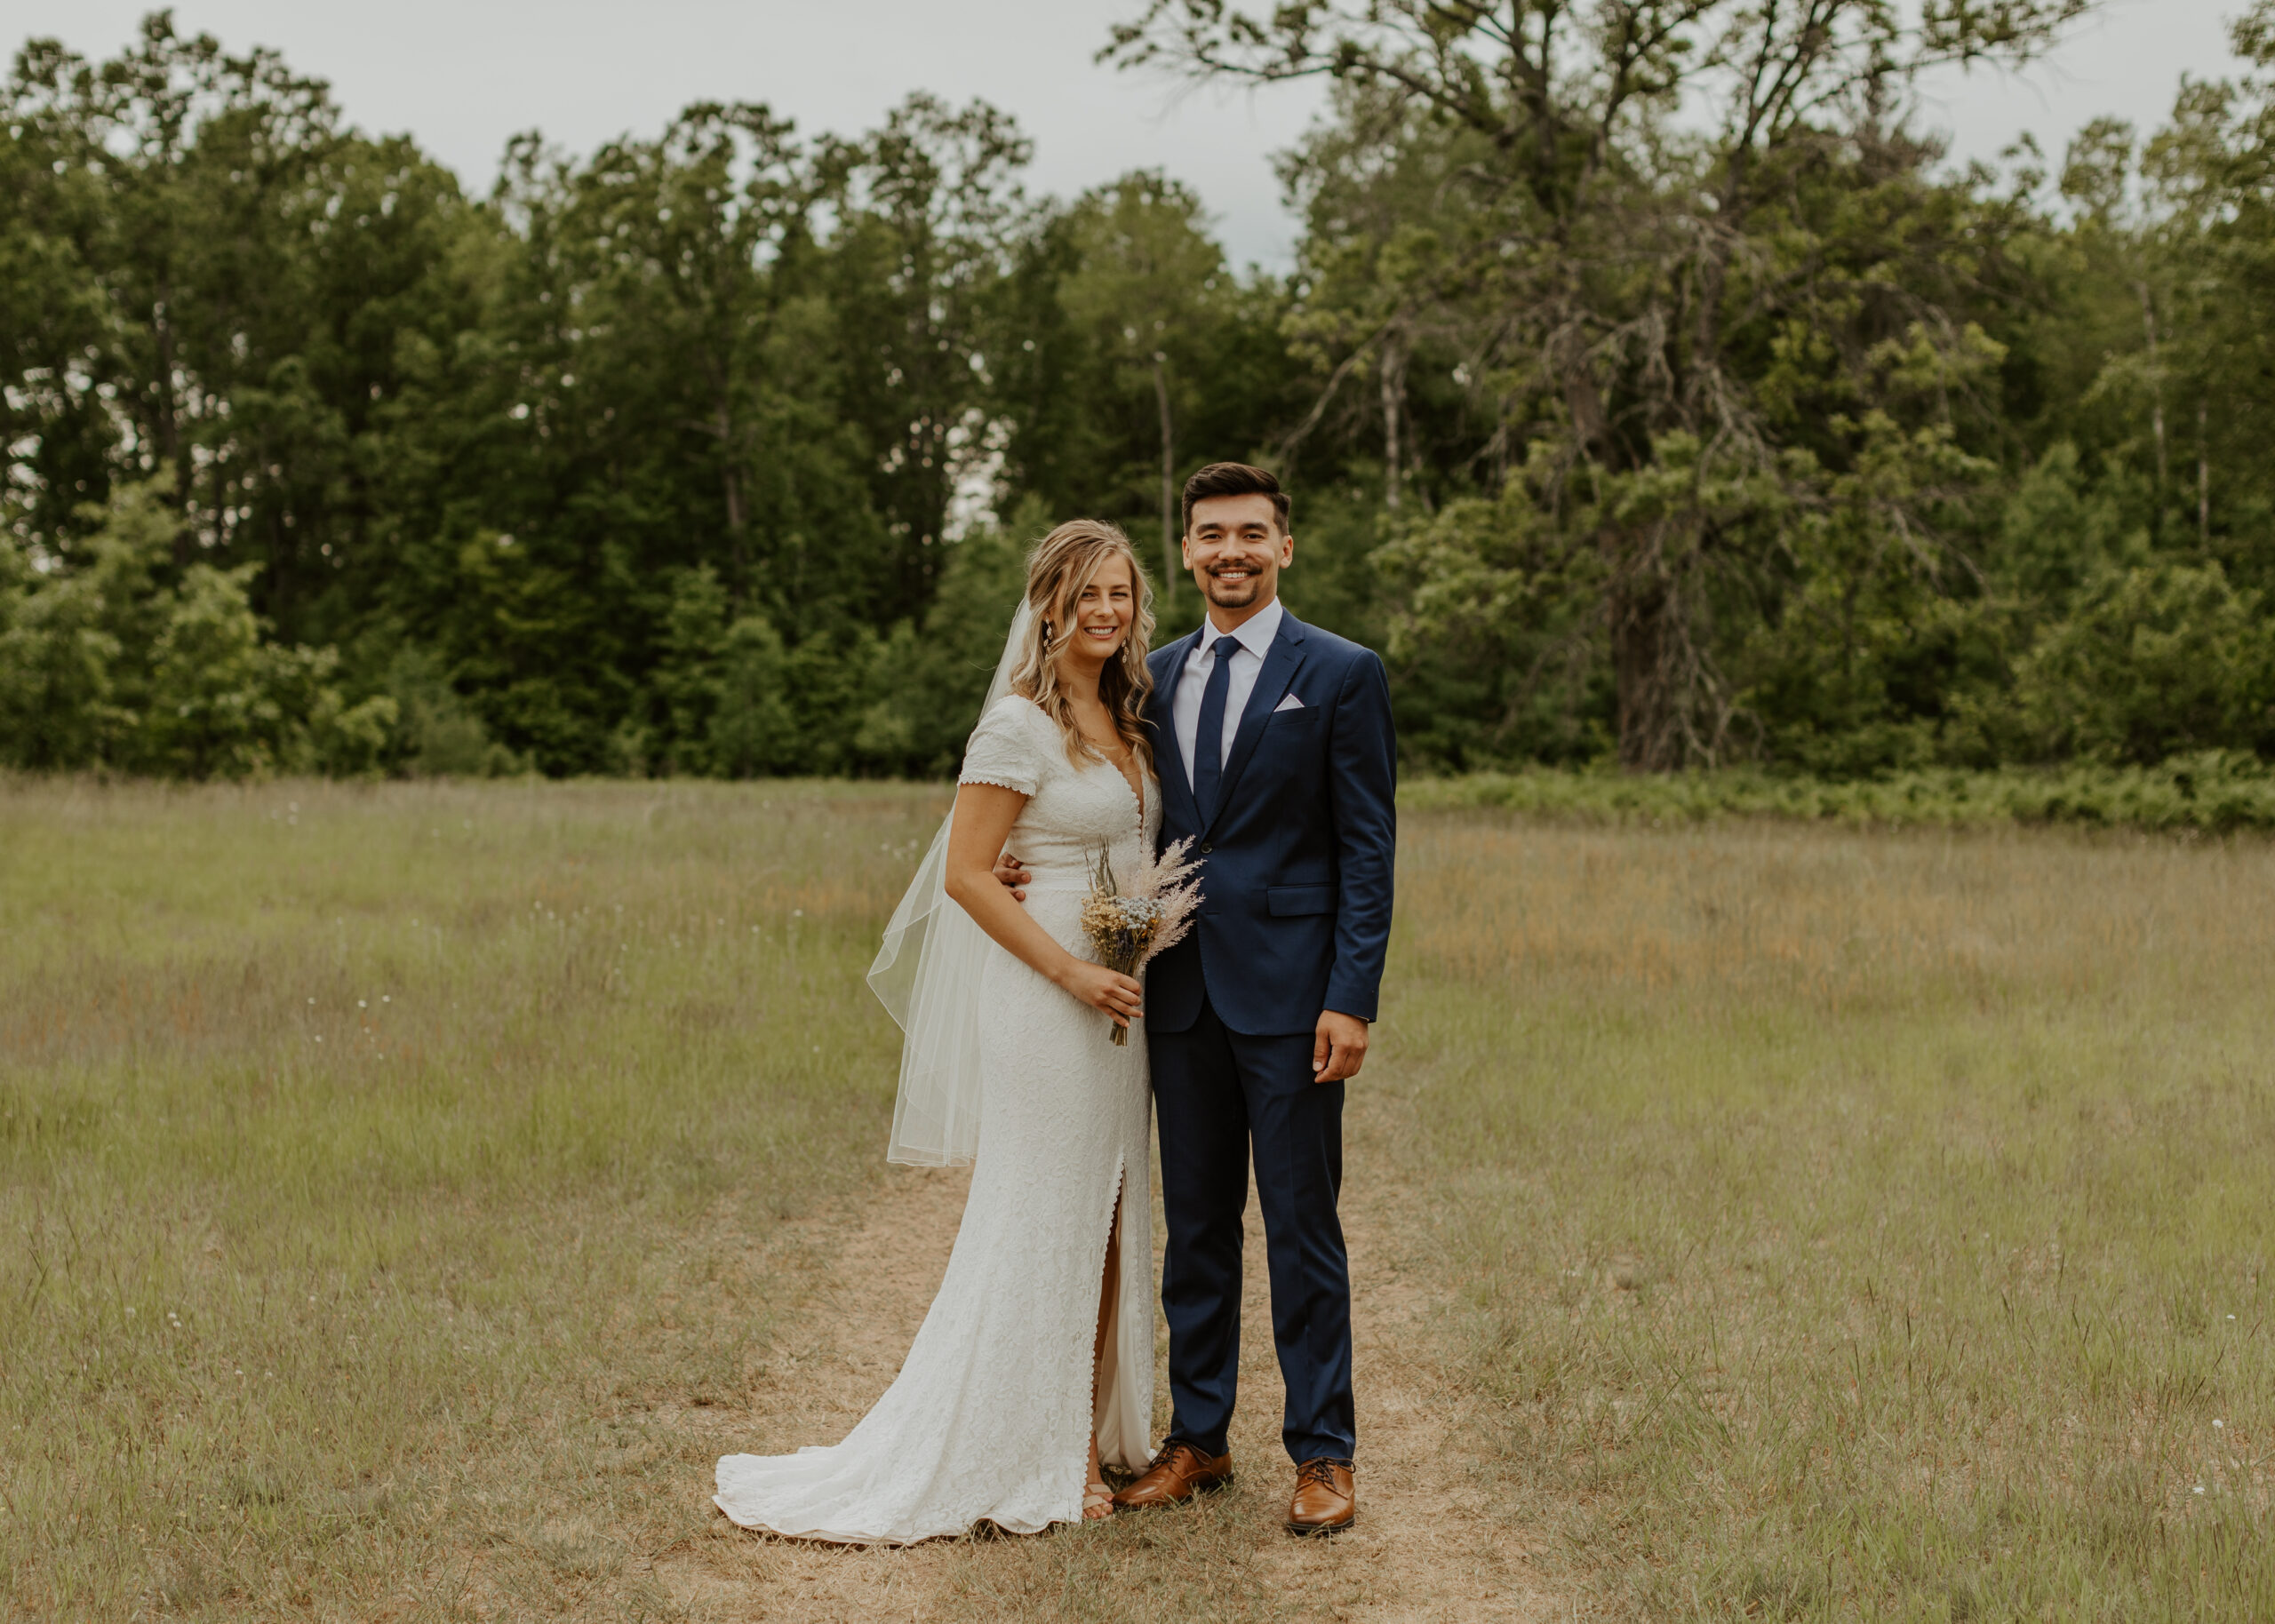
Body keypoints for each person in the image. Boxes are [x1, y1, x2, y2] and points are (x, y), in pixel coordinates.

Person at [714, 519, 1161, 1540]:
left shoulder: (1129, 713)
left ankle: (1082, 1424)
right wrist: (1072, 972)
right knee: (1043, 1209)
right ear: (1047, 602)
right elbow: (967, 873)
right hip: (1051, 995)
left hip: (1119, 1002)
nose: (1105, 610)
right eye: (1086, 592)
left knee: (1106, 1213)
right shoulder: (1016, 725)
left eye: (1121, 594)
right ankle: (1043, 1450)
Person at [1001, 462, 1397, 1536]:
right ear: (1186, 550)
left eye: (1251, 534)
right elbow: (1103, 811)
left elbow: (1368, 849)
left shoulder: (1343, 673)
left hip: (1294, 1001)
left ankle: (1323, 1452)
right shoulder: (1148, 675)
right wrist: (1018, 870)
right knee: (1196, 1231)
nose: (1230, 551)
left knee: (1303, 1229)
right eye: (1211, 534)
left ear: (1284, 545)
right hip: (1175, 1000)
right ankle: (1200, 1436)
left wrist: (1349, 997)